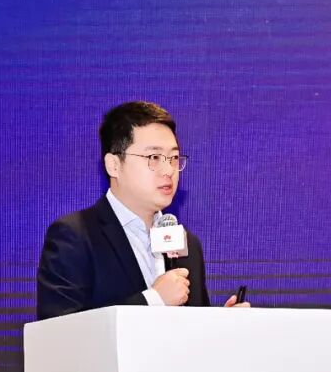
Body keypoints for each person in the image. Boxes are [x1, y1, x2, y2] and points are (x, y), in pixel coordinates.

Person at [36, 101, 249, 320]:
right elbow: (60, 331)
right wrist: (154, 300)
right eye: (154, 158)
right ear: (113, 165)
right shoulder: (74, 237)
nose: (168, 170)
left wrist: (221, 326)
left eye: (174, 158)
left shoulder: (187, 245)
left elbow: (189, 333)